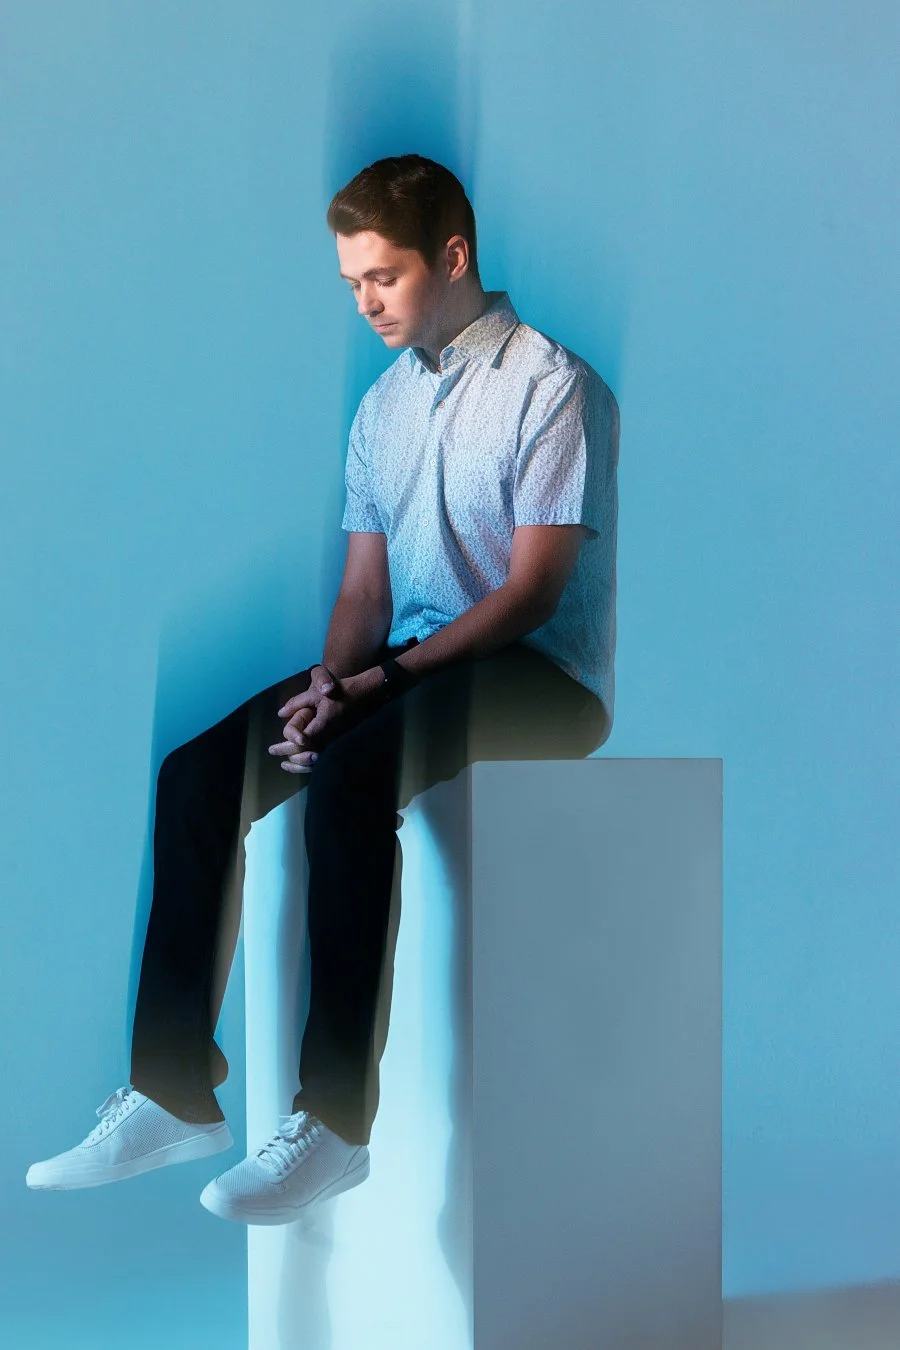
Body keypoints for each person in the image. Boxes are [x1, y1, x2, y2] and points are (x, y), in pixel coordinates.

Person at [26, 153, 619, 1226]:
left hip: (540, 679)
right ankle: (171, 1089)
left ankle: (335, 1124)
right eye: (350, 283)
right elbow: (363, 586)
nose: (366, 303)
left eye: (383, 277)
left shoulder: (551, 385)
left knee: (353, 774)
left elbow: (534, 593)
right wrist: (332, 683)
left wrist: (376, 687)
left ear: (452, 256)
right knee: (201, 770)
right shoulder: (382, 408)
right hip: (407, 664)